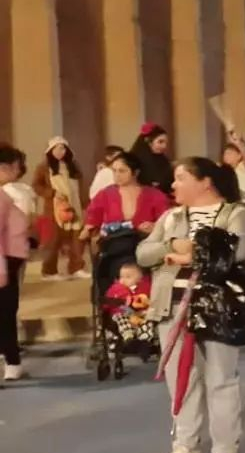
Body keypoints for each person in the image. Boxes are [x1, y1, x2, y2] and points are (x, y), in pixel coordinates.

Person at [136, 156, 245, 453]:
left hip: (217, 307)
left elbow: (236, 252)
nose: (173, 184)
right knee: (180, 380)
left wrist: (191, 253)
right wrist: (173, 246)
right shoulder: (171, 217)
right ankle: (185, 448)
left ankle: (226, 451)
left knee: (221, 379)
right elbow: (143, 253)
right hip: (172, 306)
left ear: (205, 182)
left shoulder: (237, 213)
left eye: (180, 178)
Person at [33, 137, 88, 279]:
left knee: (77, 239)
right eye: (57, 149)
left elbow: (81, 186)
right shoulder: (43, 167)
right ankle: (49, 271)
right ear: (50, 151)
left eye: (63, 148)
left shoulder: (73, 166)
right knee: (53, 240)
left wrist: (84, 204)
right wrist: (52, 193)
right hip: (55, 209)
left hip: (75, 206)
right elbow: (37, 185)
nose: (60, 151)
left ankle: (76, 268)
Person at [81, 152, 170, 240]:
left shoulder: (155, 195)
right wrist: (88, 229)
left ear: (136, 172)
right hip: (113, 242)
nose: (117, 175)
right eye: (114, 171)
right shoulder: (105, 194)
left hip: (145, 242)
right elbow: (93, 218)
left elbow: (167, 222)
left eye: (122, 171)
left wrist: (155, 227)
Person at [0, 145, 30, 384]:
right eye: (16, 166)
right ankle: (11, 361)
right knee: (6, 313)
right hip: (4, 262)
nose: (18, 171)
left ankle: (11, 360)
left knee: (7, 313)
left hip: (10, 259)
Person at [129, 122, 175, 199]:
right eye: (160, 142)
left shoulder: (164, 161)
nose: (164, 146)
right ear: (148, 141)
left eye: (166, 143)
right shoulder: (133, 161)